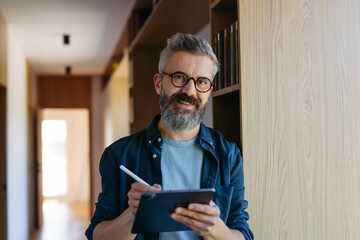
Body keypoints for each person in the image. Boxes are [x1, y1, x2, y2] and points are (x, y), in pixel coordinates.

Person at [85, 33, 254, 240]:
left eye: (201, 81)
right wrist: (133, 216)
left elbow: (243, 234)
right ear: (158, 83)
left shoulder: (228, 155)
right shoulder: (119, 154)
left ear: (209, 90)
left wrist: (214, 229)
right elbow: (97, 235)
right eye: (179, 77)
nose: (190, 91)